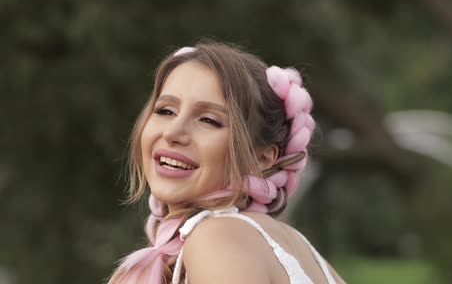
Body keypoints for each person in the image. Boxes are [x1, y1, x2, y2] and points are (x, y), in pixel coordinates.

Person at [107, 40, 346, 283]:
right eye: (165, 111)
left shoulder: (217, 238)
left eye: (209, 120)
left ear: (262, 157)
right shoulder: (303, 252)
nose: (172, 133)